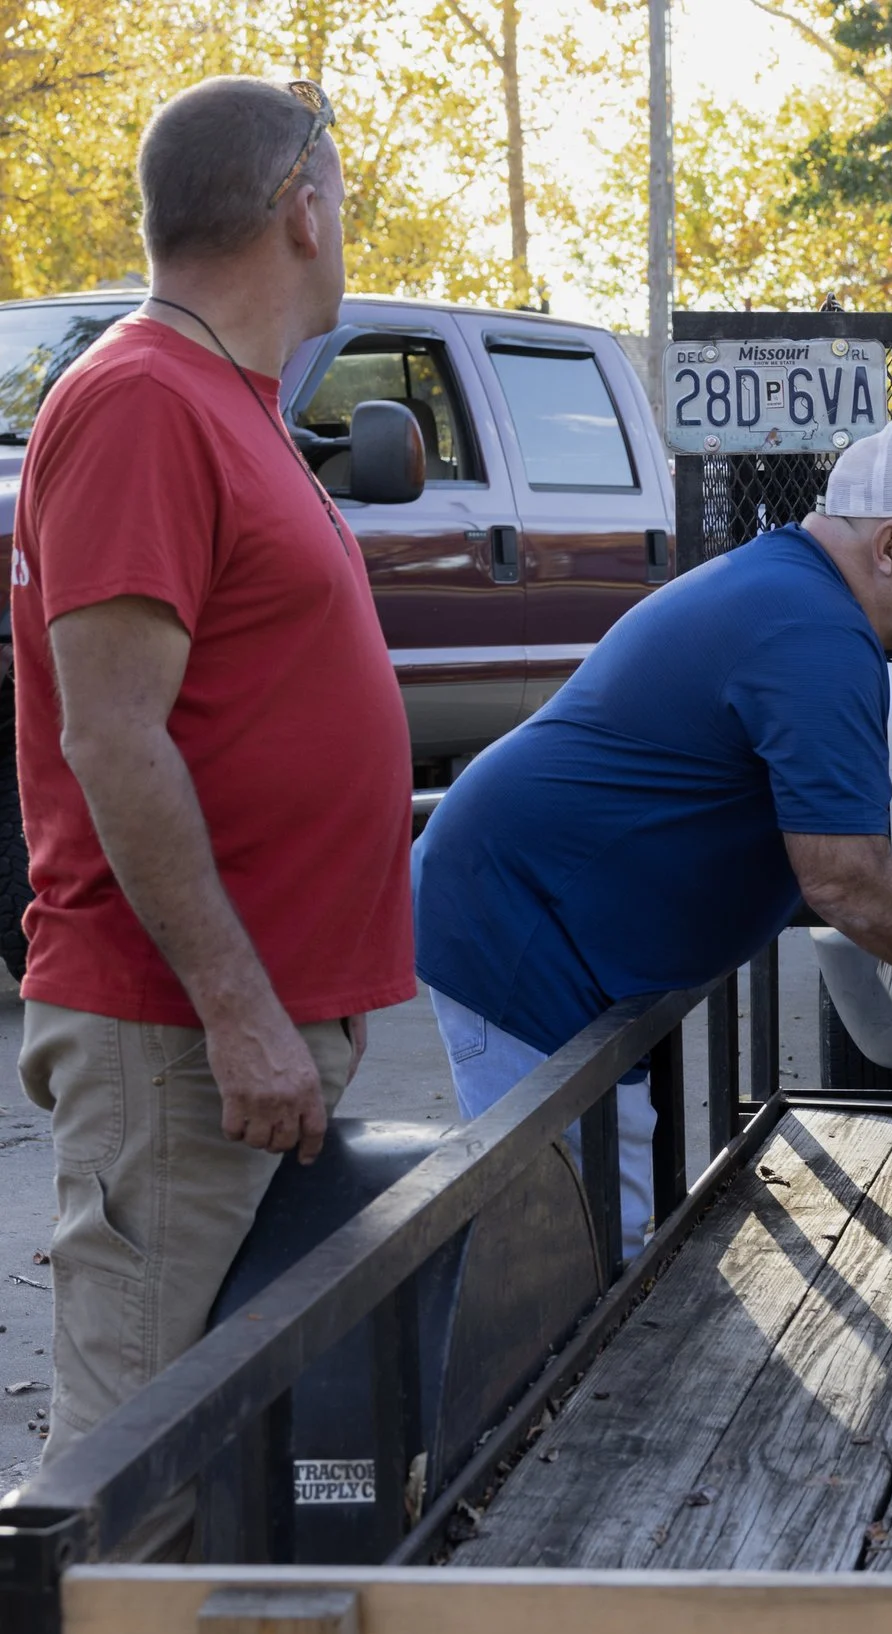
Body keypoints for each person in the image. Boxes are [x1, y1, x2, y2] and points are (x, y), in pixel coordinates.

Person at [10, 78, 412, 1536]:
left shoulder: (230, 407)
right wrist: (241, 1011)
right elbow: (110, 734)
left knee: (210, 1462)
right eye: (345, 197)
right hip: (176, 1037)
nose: (348, 226)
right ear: (300, 204)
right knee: (120, 1483)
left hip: (244, 1032)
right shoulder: (136, 403)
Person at [413, 421, 892, 1251]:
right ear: (888, 543)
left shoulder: (797, 595)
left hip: (553, 908)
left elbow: (825, 845)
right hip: (517, 923)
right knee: (567, 1242)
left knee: (601, 1226)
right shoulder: (812, 633)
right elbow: (843, 881)